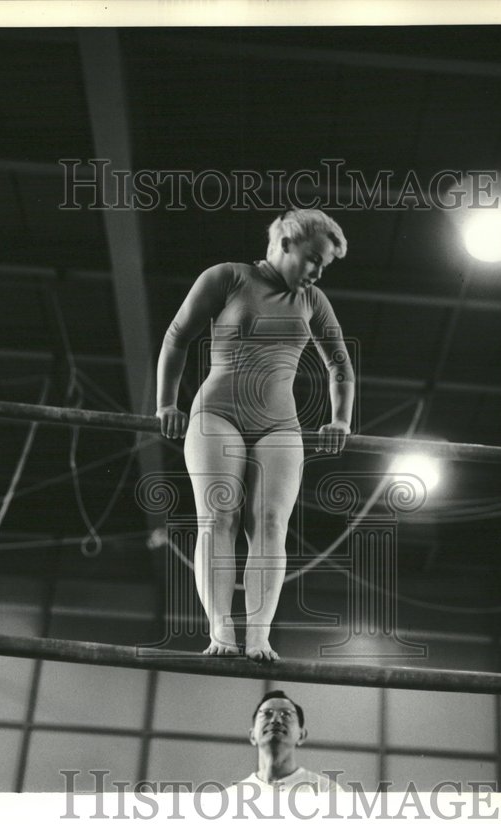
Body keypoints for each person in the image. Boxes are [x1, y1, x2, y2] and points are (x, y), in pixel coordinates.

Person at [156, 209, 355, 661]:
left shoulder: (314, 302)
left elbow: (340, 364)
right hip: (217, 414)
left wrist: (340, 419)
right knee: (219, 517)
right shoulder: (228, 277)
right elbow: (177, 336)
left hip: (278, 424)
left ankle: (259, 634)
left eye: (324, 266)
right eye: (313, 259)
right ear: (285, 243)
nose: (318, 272)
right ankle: (221, 629)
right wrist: (166, 403)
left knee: (269, 524)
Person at [235, 689, 343, 792]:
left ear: (301, 736)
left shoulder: (326, 790)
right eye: (267, 714)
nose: (275, 720)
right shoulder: (230, 797)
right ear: (252, 735)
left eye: (286, 714)